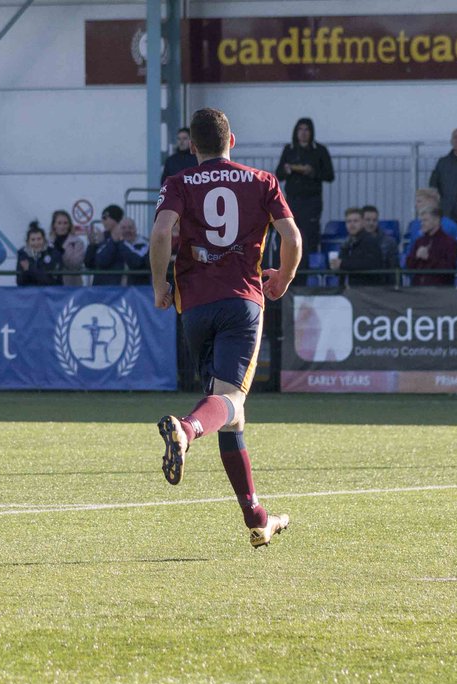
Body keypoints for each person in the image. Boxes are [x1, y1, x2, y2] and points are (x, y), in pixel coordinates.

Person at [151, 107, 302, 548]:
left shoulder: (177, 183)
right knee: (228, 402)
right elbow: (292, 239)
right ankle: (187, 429)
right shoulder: (262, 181)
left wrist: (160, 284)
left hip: (195, 307)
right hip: (241, 302)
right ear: (231, 140)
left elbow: (162, 234)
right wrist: (283, 279)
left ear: (192, 146)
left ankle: (257, 518)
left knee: (230, 412)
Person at [274, 117, 334, 258]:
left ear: (311, 132)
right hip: (292, 200)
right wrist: (287, 170)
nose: (303, 133)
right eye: (300, 129)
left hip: (312, 201)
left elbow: (329, 175)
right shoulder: (289, 149)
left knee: (309, 235)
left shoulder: (320, 150)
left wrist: (312, 172)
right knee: (290, 234)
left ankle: (308, 269)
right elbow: (279, 174)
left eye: (307, 129)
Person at [329, 207, 385, 286]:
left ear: (362, 222)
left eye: (355, 221)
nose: (352, 225)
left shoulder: (370, 241)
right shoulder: (346, 244)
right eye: (349, 221)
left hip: (364, 291)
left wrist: (342, 264)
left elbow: (371, 264)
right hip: (346, 290)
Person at [405, 205, 457, 287]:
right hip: (418, 291)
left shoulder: (450, 243)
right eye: (421, 221)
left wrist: (429, 258)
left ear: (436, 220)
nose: (422, 224)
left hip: (440, 293)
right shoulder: (419, 241)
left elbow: (450, 269)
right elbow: (408, 267)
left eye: (425, 220)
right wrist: (416, 257)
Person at [402, 188, 457, 261]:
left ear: (431, 201)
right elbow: (407, 250)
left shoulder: (451, 226)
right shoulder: (413, 225)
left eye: (419, 201)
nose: (415, 205)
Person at [15, 222, 62, 286]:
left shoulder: (53, 253)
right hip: (29, 294)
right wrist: (32, 273)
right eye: (33, 240)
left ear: (44, 240)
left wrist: (29, 270)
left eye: (39, 239)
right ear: (28, 242)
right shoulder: (23, 255)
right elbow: (20, 282)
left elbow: (52, 281)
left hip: (49, 293)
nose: (36, 243)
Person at [49, 209, 87, 287]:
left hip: (71, 287)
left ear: (69, 225)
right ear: (54, 225)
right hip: (51, 287)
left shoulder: (77, 242)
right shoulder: (47, 243)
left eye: (65, 223)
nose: (62, 226)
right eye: (59, 223)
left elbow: (75, 265)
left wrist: (61, 250)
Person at [359, 205, 399, 277]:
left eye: (374, 220)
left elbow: (394, 271)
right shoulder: (353, 242)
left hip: (382, 285)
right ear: (361, 221)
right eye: (368, 220)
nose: (371, 223)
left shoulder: (390, 243)